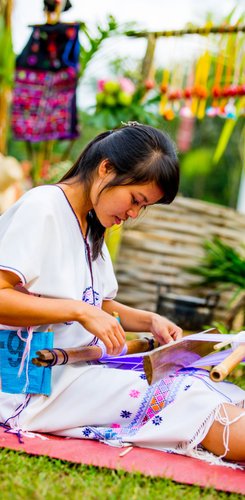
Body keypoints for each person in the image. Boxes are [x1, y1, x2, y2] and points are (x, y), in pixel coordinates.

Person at [0, 123, 244, 466]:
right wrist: (79, 312)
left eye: (143, 207)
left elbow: (97, 302)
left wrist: (149, 320)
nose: (133, 214)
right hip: (30, 384)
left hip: (77, 368)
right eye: (136, 200)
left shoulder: (90, 225)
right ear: (106, 168)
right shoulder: (43, 207)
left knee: (196, 384)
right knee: (183, 400)